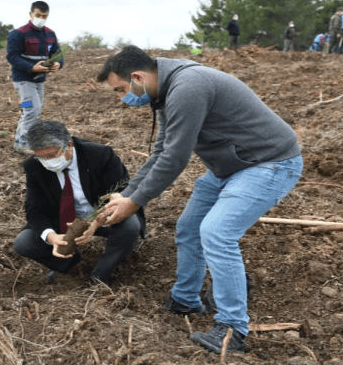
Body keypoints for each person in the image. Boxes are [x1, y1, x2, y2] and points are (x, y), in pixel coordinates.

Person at [94, 46, 303, 354]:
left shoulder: (187, 87)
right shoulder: (165, 92)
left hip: (268, 163)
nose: (123, 97)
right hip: (231, 167)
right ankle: (186, 300)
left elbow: (175, 159)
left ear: (138, 77)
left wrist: (135, 202)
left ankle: (232, 330)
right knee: (189, 228)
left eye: (122, 89)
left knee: (217, 233)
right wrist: (127, 194)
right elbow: (161, 152)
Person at [13, 120, 144, 285]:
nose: (48, 161)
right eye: (41, 157)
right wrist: (52, 237)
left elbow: (122, 193)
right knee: (24, 242)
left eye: (52, 155)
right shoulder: (34, 167)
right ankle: (73, 266)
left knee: (129, 226)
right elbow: (34, 209)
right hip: (63, 219)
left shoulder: (100, 155)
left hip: (103, 215)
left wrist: (96, 222)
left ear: (69, 145)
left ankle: (100, 276)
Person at [7, 1, 64, 154]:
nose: (41, 18)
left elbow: (58, 55)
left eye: (44, 16)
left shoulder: (50, 34)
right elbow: (12, 56)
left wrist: (58, 63)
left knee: (32, 110)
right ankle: (23, 143)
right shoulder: (18, 34)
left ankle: (20, 142)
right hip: (23, 79)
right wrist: (31, 67)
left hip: (40, 79)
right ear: (30, 14)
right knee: (32, 109)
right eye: (37, 15)